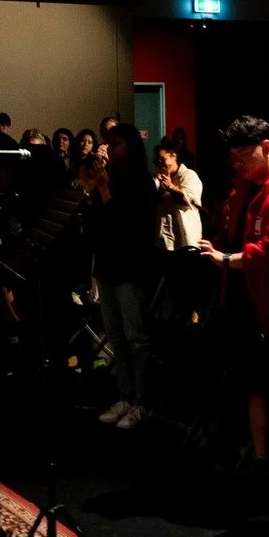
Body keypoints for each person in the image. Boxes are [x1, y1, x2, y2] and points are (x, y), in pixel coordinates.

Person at [199, 115, 269, 496]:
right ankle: (262, 459)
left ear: (266, 148)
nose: (238, 162)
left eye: (245, 154)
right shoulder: (240, 189)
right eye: (234, 156)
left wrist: (228, 259)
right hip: (243, 298)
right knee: (253, 385)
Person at [85, 125, 161, 428]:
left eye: (115, 144)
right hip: (107, 266)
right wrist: (92, 190)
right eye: (108, 144)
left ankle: (142, 401)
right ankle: (125, 394)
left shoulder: (142, 182)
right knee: (116, 336)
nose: (109, 149)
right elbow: (98, 221)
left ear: (130, 146)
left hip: (130, 268)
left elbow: (128, 226)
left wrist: (103, 190)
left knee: (136, 337)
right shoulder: (112, 177)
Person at [154, 142, 204, 251]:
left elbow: (186, 200)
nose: (160, 164)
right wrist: (161, 190)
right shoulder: (157, 178)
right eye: (157, 161)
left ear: (173, 156)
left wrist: (171, 186)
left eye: (163, 159)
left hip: (186, 241)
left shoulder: (189, 175)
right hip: (165, 240)